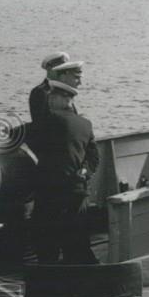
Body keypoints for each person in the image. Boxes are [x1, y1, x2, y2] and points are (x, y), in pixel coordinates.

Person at [31, 84, 99, 264]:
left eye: (51, 99)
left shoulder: (50, 120)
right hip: (78, 191)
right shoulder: (85, 124)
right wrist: (85, 170)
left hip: (51, 191)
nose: (49, 102)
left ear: (59, 99)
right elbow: (94, 157)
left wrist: (4, 132)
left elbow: (31, 135)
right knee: (76, 240)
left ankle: (48, 274)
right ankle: (77, 272)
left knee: (46, 242)